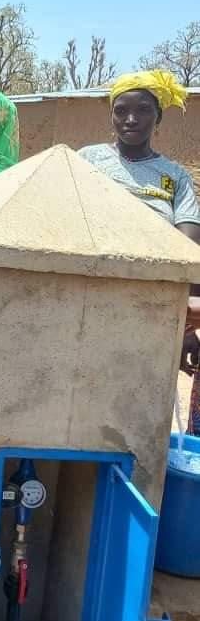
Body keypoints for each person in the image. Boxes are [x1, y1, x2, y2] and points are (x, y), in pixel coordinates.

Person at [78, 70, 200, 432]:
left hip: (151, 301)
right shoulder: (88, 160)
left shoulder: (174, 176)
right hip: (91, 293)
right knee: (85, 395)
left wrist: (185, 323)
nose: (131, 119)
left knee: (138, 407)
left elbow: (188, 248)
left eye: (143, 110)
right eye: (121, 110)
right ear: (111, 115)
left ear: (158, 117)